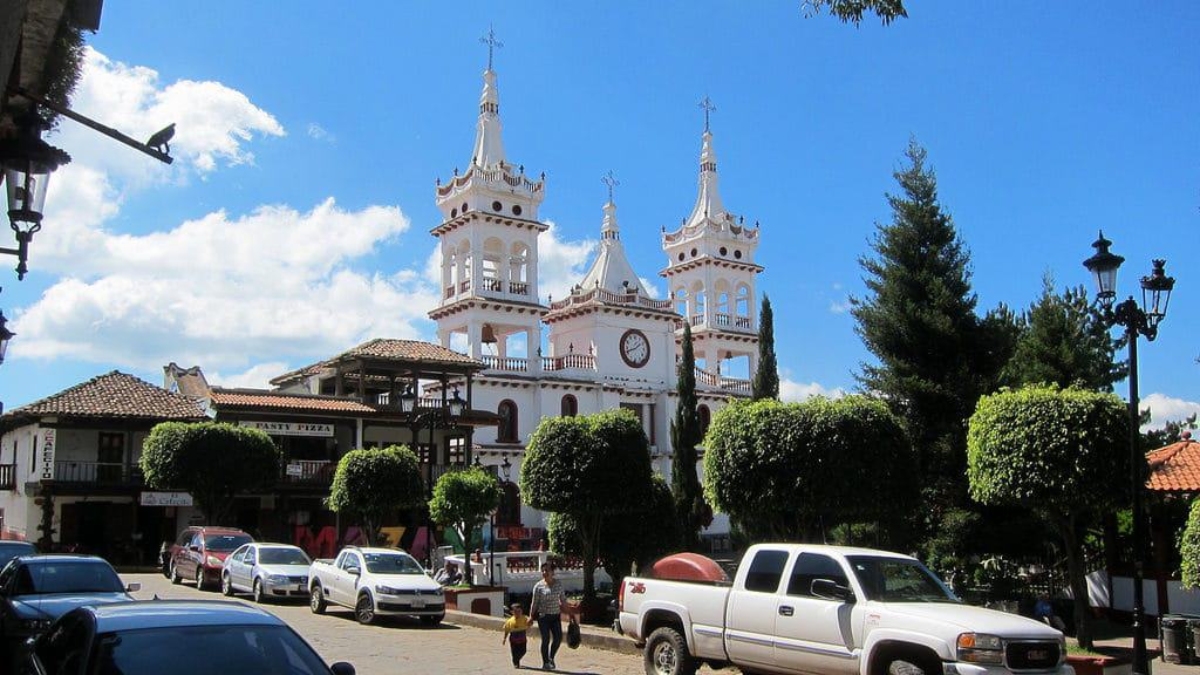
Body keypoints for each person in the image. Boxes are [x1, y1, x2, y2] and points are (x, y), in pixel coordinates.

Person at [529, 561, 566, 670]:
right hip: (543, 617)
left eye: (547, 570)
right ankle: (545, 662)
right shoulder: (538, 586)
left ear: (552, 572)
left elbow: (563, 599)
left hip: (555, 616)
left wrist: (570, 612)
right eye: (543, 571)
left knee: (558, 638)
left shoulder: (558, 584)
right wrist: (531, 616)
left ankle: (551, 657)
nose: (545, 572)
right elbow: (534, 603)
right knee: (545, 639)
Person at [502, 602, 531, 669]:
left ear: (522, 611)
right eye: (515, 611)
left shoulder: (524, 618)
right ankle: (516, 663)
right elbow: (506, 630)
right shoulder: (509, 621)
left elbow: (529, 624)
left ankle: (517, 659)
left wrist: (530, 622)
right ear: (512, 612)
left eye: (519, 611)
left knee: (523, 651)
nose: (517, 613)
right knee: (514, 652)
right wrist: (504, 638)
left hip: (522, 639)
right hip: (513, 640)